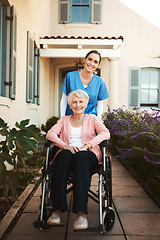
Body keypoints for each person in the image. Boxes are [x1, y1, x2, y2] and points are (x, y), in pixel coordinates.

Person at [46, 89, 110, 230]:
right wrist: (65, 146)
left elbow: (106, 133)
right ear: (70, 105)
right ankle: (56, 211)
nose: (78, 105)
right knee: (62, 157)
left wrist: (89, 144)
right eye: (74, 102)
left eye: (81, 102)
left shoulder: (93, 119)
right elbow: (50, 134)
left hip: (88, 154)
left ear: (86, 104)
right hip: (68, 152)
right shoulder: (64, 120)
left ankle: (81, 215)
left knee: (81, 158)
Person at [60, 50, 109, 119]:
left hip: (90, 121)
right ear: (85, 59)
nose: (91, 63)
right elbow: (64, 99)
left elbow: (99, 104)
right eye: (90, 59)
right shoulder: (70, 77)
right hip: (71, 119)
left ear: (98, 65)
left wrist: (99, 119)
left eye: (95, 62)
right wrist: (62, 117)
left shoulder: (100, 82)